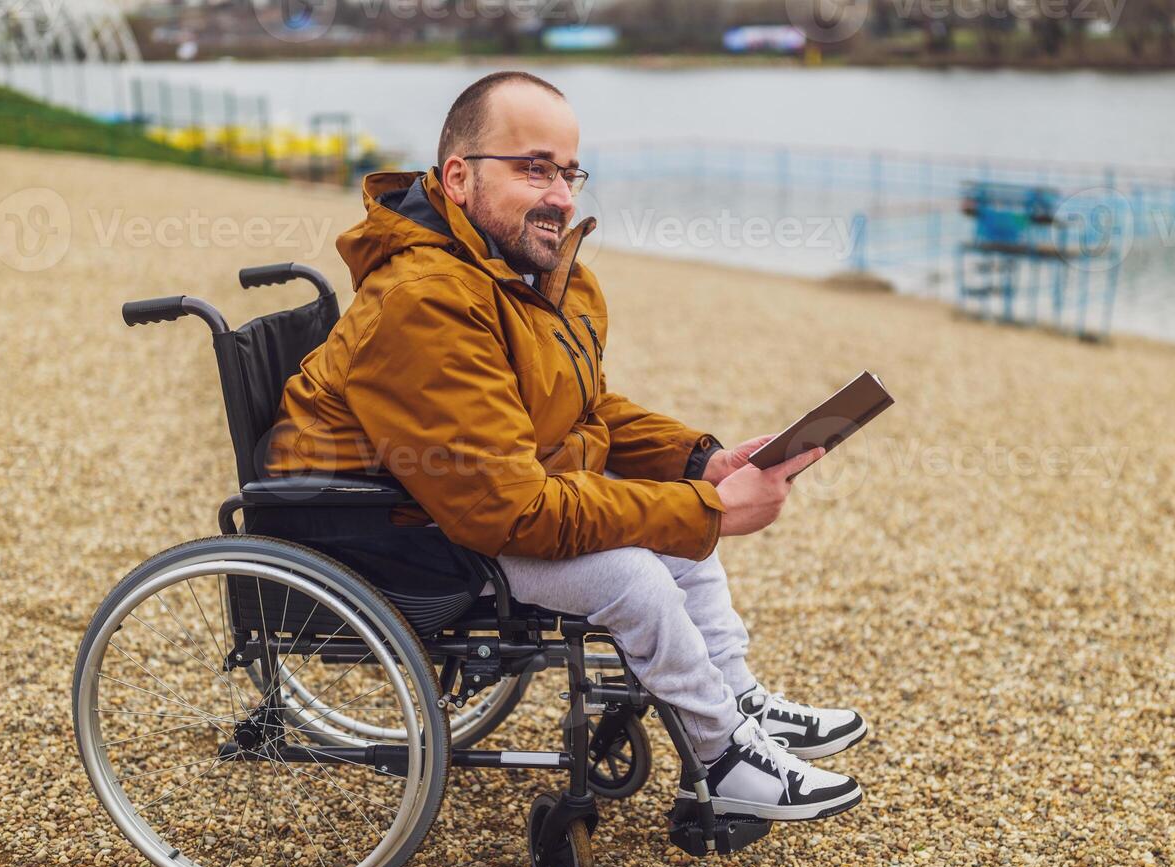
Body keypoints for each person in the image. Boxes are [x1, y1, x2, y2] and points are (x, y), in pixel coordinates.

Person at [267, 71, 864, 821]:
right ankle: (723, 756)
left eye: (569, 171)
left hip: (467, 497)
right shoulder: (425, 301)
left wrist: (699, 463)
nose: (560, 194)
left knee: (681, 539)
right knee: (635, 572)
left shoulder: (520, 273)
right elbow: (508, 513)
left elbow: (583, 405)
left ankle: (737, 700)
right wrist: (707, 506)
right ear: (458, 177)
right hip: (395, 529)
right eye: (533, 167)